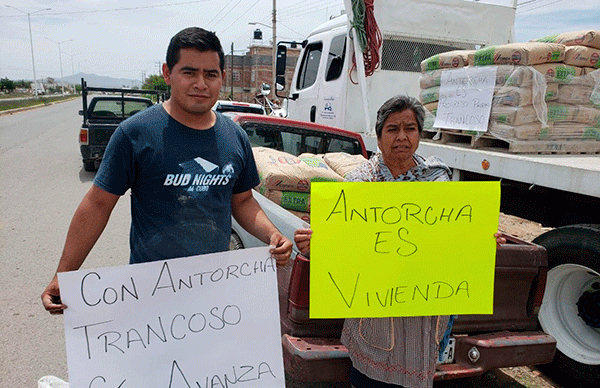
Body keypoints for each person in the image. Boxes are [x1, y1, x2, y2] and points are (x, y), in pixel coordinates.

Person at [42, 27, 292, 314]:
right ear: (167, 73)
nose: (201, 83)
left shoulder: (234, 137)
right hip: (151, 294)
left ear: (222, 78)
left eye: (211, 74)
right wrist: (64, 274)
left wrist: (272, 235)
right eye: (189, 72)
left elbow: (243, 200)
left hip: (214, 292)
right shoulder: (135, 134)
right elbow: (97, 206)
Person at [294, 95, 505, 388]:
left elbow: (453, 242)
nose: (402, 137)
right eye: (393, 129)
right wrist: (314, 245)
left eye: (410, 128)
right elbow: (339, 251)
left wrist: (481, 243)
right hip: (375, 315)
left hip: (423, 310)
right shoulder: (358, 185)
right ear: (379, 138)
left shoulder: (439, 182)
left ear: (419, 135)